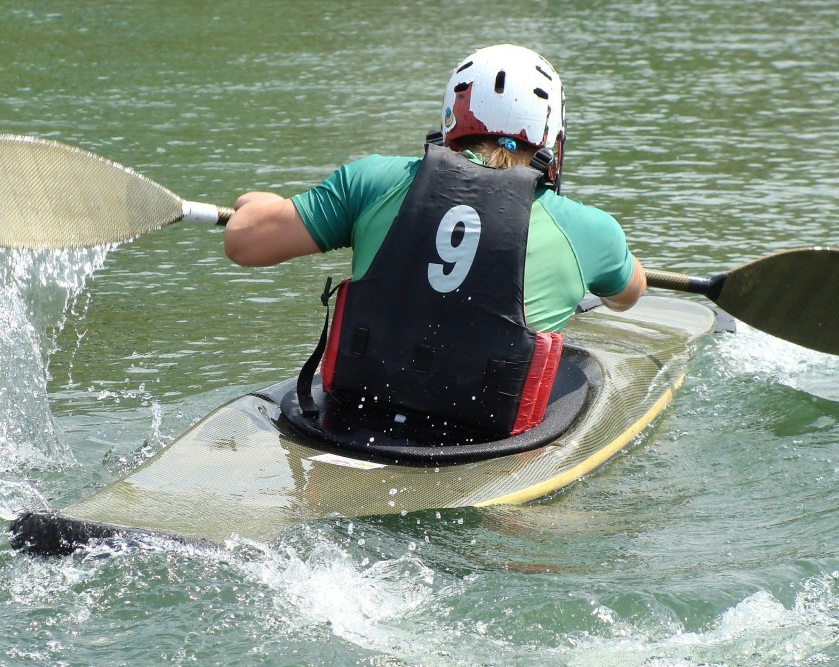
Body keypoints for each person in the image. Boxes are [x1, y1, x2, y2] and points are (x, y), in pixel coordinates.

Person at [224, 44, 646, 441]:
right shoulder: (591, 230)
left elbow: (244, 243)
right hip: (487, 438)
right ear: (551, 136)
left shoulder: (372, 181)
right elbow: (629, 295)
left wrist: (254, 204)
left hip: (354, 413)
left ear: (450, 120)